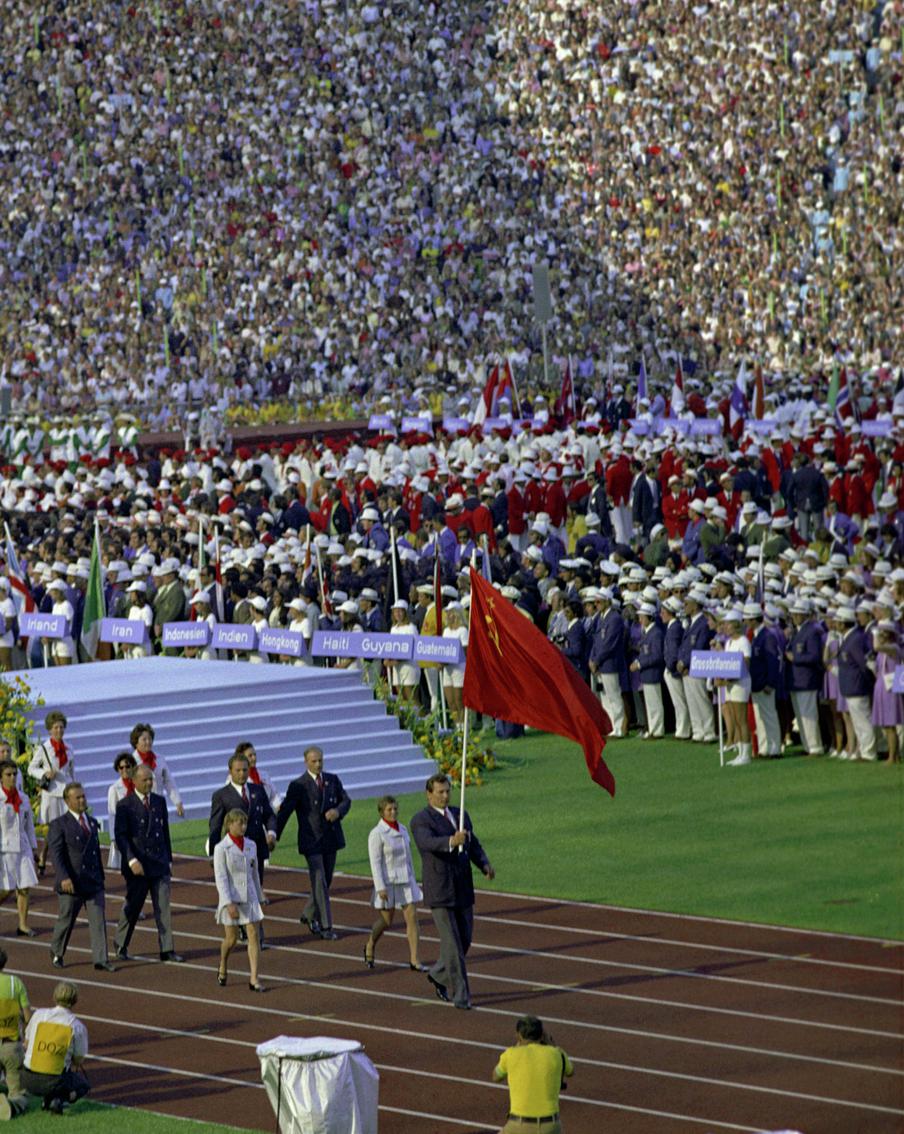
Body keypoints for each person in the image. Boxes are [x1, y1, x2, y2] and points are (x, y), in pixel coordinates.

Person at [410, 773, 494, 1011]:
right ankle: (461, 996)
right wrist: (451, 841)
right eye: (440, 792)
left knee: (464, 940)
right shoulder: (421, 820)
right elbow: (427, 843)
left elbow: (473, 843)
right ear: (429, 795)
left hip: (463, 888)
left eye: (448, 791)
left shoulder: (460, 814)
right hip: (440, 891)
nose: (445, 796)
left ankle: (438, 974)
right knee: (453, 947)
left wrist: (484, 863)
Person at [275, 746, 350, 940]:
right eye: (314, 761)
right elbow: (285, 812)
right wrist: (274, 834)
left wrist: (338, 812)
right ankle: (326, 926)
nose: (318, 764)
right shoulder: (298, 785)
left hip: (331, 838)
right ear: (306, 762)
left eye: (320, 761)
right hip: (311, 840)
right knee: (320, 881)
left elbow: (346, 800)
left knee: (326, 881)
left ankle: (309, 914)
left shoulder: (332, 780)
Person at [112, 763, 184, 963]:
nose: (149, 783)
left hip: (159, 863)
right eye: (145, 780)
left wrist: (168, 859)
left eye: (151, 779)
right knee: (133, 906)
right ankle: (121, 943)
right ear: (134, 781)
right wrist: (131, 859)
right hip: (138, 865)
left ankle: (167, 949)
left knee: (163, 908)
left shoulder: (159, 802)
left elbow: (165, 832)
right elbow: (121, 836)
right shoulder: (125, 805)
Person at [209, 747, 277, 940]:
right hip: (232, 853)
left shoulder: (258, 790)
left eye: (245, 770)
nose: (242, 774)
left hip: (254, 850)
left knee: (254, 890)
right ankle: (241, 927)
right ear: (230, 771)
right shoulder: (221, 795)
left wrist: (271, 832)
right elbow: (214, 826)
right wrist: (213, 854)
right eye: (238, 770)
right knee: (236, 890)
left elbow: (269, 815)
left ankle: (256, 935)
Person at [48, 782, 115, 972]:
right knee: (66, 919)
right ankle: (56, 951)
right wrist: (63, 877)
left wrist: (100, 877)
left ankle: (101, 959)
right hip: (72, 882)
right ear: (67, 801)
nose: (82, 800)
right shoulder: (59, 824)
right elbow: (57, 854)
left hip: (93, 881)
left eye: (83, 796)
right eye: (77, 798)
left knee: (98, 921)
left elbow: (94, 852)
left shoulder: (92, 823)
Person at [364, 796, 423, 971]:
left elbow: (409, 857)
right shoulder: (377, 834)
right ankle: (370, 943)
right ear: (382, 812)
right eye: (389, 810)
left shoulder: (403, 829)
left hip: (406, 880)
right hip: (388, 882)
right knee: (386, 921)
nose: (393, 812)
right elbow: (375, 862)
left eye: (395, 809)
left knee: (412, 918)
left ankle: (414, 959)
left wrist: (414, 878)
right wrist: (380, 886)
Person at [492, 1015, 574, 1134]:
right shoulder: (558, 1054)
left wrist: (517, 1045)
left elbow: (495, 1076)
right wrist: (550, 1044)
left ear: (518, 1035)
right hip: (551, 1126)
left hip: (519, 1126)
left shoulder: (510, 1054)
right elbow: (570, 1071)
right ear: (542, 1035)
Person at [213, 809, 265, 992]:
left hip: (249, 897)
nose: (243, 826)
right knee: (231, 939)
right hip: (232, 898)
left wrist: (259, 895)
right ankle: (223, 964)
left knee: (253, 935)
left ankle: (254, 978)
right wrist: (228, 903)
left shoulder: (251, 845)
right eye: (239, 823)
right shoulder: (221, 848)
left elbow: (255, 873)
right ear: (229, 824)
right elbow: (221, 877)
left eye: (244, 823)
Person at [21, 981, 89, 1116]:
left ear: (54, 997)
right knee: (83, 1085)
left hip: (27, 1078)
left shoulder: (38, 1015)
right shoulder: (77, 1026)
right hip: (55, 1082)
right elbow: (79, 1059)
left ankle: (48, 1100)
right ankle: (59, 1099)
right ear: (75, 1000)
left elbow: (27, 1044)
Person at [27, 710, 75, 876]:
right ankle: (48, 856)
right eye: (55, 727)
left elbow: (71, 771)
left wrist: (74, 789)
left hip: (66, 792)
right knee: (54, 829)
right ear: (49, 729)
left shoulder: (69, 748)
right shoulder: (43, 748)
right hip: (51, 792)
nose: (59, 731)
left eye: (61, 727)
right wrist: (44, 774)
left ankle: (58, 860)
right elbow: (31, 768)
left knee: (67, 828)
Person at [0, 760, 38, 937]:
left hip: (22, 846)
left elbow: (28, 824)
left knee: (25, 885)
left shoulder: (23, 798)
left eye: (14, 774)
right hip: (4, 849)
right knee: (6, 889)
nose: (13, 777)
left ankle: (23, 924)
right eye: (8, 774)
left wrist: (33, 846)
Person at [0, 948, 30, 1120]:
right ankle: (13, 1104)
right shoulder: (14, 983)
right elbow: (27, 1017)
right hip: (11, 1045)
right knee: (18, 1092)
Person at [129, 723, 185, 817]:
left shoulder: (159, 759)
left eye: (150, 739)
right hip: (139, 805)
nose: (148, 742)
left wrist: (177, 802)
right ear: (136, 742)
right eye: (144, 739)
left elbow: (168, 781)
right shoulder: (131, 761)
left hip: (158, 803)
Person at [106, 752, 137, 870]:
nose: (124, 770)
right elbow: (112, 814)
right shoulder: (114, 789)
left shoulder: (137, 785)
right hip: (123, 832)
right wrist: (114, 838)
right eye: (121, 767)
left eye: (128, 766)